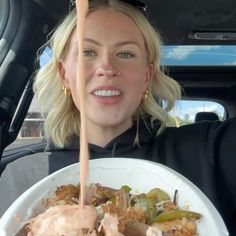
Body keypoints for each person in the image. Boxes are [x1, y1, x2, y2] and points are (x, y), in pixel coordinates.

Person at [0, 0, 235, 234]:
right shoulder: (20, 177)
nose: (107, 66)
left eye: (125, 53)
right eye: (88, 52)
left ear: (146, 75)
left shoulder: (208, 150)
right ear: (64, 75)